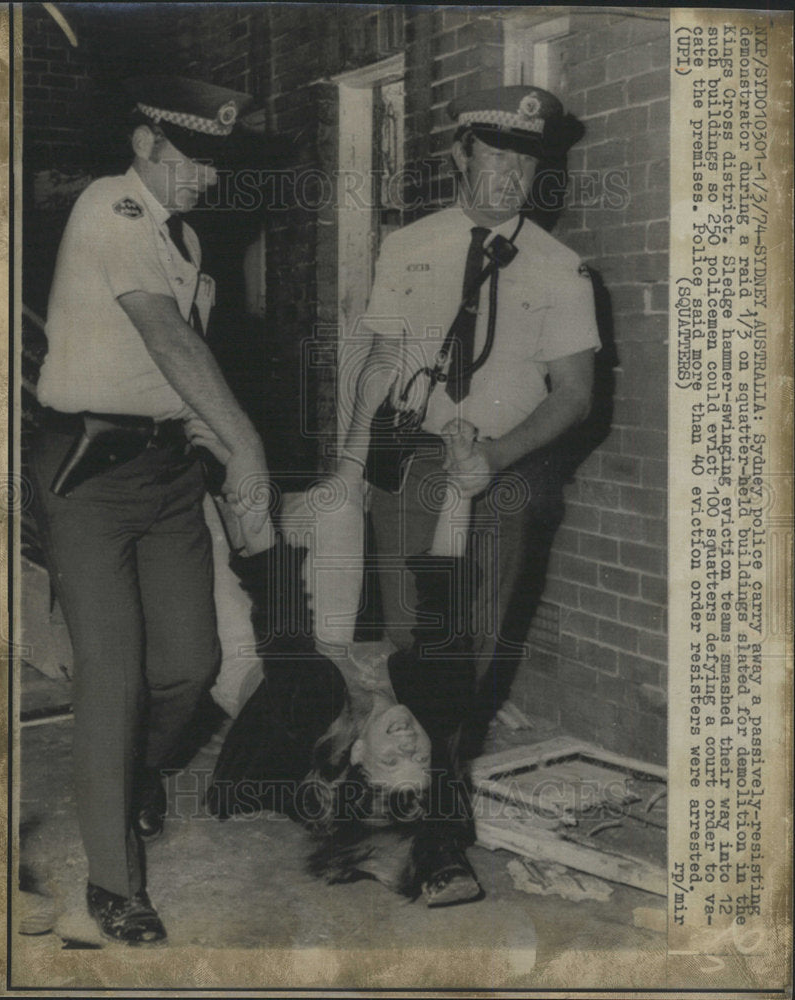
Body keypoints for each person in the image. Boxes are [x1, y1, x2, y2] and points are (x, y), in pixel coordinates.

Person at [29, 76, 270, 945]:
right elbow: (165, 336)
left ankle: (131, 778)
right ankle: (112, 885)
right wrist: (250, 449)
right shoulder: (112, 208)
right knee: (113, 675)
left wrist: (222, 461)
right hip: (86, 473)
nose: (206, 175)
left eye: (216, 162)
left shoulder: (187, 237)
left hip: (169, 473)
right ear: (145, 143)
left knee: (190, 664)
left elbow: (183, 370)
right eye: (192, 159)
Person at [354, 84, 601, 701]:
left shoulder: (560, 266)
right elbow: (383, 361)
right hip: (411, 460)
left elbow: (574, 395)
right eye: (498, 154)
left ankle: (447, 773)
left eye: (527, 161)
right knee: (409, 628)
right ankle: (407, 763)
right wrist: (351, 465)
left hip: (504, 467)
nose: (514, 174)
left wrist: (494, 459)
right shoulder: (407, 245)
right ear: (461, 154)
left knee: (478, 636)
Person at [202, 420, 484, 907]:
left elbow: (282, 624)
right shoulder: (434, 712)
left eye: (392, 758)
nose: (408, 742)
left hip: (253, 665)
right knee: (341, 496)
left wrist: (253, 524)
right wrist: (460, 490)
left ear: (357, 756)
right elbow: (447, 608)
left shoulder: (315, 710)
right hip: (331, 655)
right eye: (418, 758)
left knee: (210, 513)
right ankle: (362, 414)